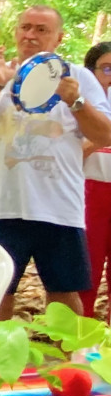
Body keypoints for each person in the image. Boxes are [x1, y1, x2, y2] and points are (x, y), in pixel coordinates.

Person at [0, 7, 111, 318]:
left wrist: (76, 101)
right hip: (4, 205)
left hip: (60, 207)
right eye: (25, 27)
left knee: (64, 291)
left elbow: (105, 135)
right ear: (16, 32)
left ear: (58, 37)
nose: (31, 35)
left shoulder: (79, 78)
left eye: (42, 29)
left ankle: (70, 367)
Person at [84, 40, 111, 312]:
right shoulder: (79, 103)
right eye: (106, 69)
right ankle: (81, 349)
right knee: (86, 270)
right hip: (89, 191)